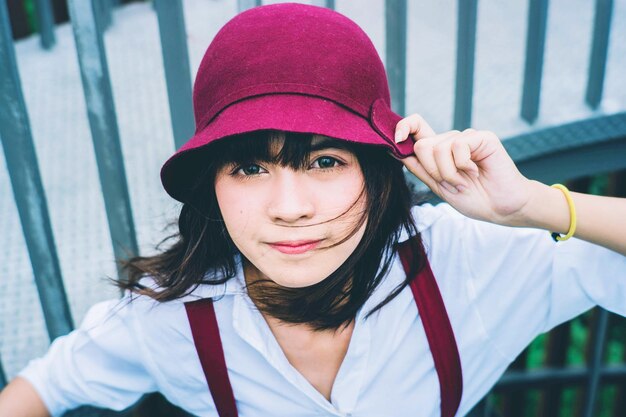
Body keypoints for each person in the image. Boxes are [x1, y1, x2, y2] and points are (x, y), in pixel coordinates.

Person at [1, 3, 625, 417]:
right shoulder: (171, 320)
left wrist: (533, 206)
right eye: (248, 167)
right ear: (210, 187)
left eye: (325, 161)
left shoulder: (464, 264)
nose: (290, 208)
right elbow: (47, 385)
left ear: (379, 171)